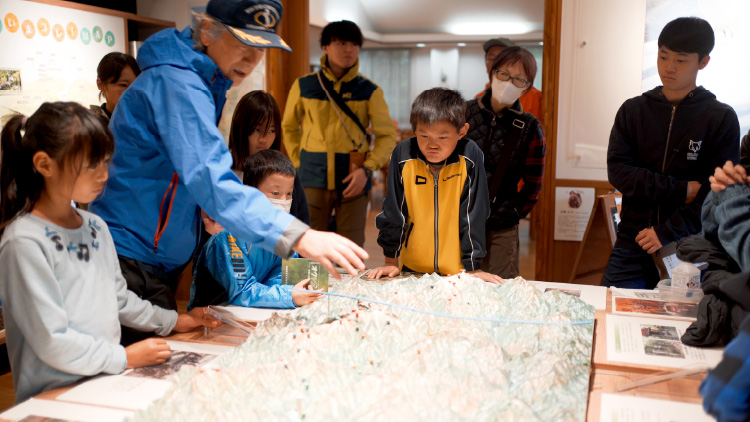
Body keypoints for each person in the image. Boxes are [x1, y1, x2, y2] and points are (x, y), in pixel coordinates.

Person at [88, 0, 367, 346]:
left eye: (261, 48)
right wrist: (302, 236)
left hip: (156, 258)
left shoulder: (202, 81)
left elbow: (184, 176)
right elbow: (209, 178)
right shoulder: (178, 81)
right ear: (207, 30)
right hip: (133, 258)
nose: (251, 60)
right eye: (243, 43)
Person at [0, 102, 217, 404]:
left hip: (103, 383)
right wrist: (124, 357)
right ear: (45, 164)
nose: (104, 175)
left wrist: (174, 321)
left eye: (105, 162)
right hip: (54, 397)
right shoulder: (23, 241)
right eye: (91, 165)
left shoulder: (95, 226)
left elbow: (119, 298)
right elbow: (51, 339)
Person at [603, 17, 740, 289]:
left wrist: (665, 232)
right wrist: (679, 190)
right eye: (663, 56)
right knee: (610, 308)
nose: (669, 67)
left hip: (689, 245)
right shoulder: (633, 110)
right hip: (634, 239)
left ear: (703, 62)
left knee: (684, 324)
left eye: (680, 60)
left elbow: (716, 191)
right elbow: (619, 172)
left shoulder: (719, 118)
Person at [368, 88, 502, 284]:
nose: (433, 145)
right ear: (414, 130)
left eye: (443, 137)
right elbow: (394, 210)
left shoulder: (469, 155)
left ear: (461, 132)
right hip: (411, 269)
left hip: (457, 271)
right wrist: (390, 260)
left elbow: (474, 213)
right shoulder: (403, 154)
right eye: (424, 136)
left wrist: (473, 266)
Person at [281, 20, 397, 247]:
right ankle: (302, 285)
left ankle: (349, 284)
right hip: (312, 174)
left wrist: (368, 169)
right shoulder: (304, 85)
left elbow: (387, 136)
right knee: (305, 243)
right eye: (341, 43)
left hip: (354, 176)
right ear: (325, 47)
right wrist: (298, 162)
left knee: (350, 247)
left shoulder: (370, 90)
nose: (348, 49)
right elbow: (289, 126)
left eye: (354, 44)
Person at [190, 150, 321, 309]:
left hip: (254, 316)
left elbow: (278, 276)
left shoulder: (282, 233)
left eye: (289, 194)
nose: (284, 201)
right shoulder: (227, 236)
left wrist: (296, 290)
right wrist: (289, 295)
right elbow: (242, 292)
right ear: (248, 192)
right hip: (212, 321)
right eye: (275, 193)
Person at [465, 46, 546, 279]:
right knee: (460, 285)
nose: (509, 83)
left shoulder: (531, 128)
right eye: (504, 74)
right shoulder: (464, 112)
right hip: (462, 221)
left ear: (527, 87)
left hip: (502, 225)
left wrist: (513, 212)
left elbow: (534, 183)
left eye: (519, 79)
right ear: (492, 73)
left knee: (500, 289)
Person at [228, 90, 309, 225]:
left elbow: (301, 222)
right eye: (256, 129)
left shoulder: (285, 172)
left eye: (271, 131)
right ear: (241, 128)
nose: (263, 139)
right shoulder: (224, 172)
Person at [473, 38, 543, 125]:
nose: (496, 61)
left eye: (503, 58)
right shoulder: (479, 98)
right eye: (491, 57)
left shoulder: (536, 98)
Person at [90, 52, 141, 122]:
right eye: (123, 85)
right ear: (101, 85)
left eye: (135, 85)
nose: (131, 92)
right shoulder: (90, 125)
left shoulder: (144, 121)